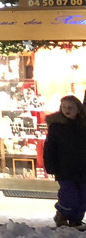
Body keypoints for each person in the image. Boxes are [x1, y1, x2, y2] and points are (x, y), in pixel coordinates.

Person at [43, 95, 86, 229]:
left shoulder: (83, 126)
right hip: (64, 169)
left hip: (82, 168)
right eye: (64, 107)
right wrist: (50, 166)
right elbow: (49, 148)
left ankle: (76, 220)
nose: (67, 110)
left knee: (83, 196)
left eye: (70, 107)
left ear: (78, 109)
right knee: (69, 194)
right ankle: (62, 214)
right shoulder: (57, 127)